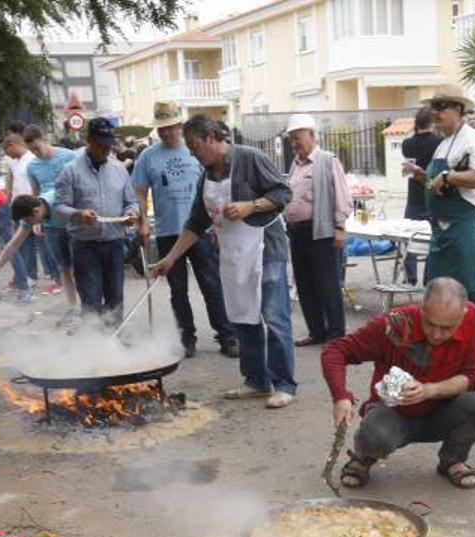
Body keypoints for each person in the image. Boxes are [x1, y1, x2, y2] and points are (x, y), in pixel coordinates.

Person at [153, 114, 297, 410]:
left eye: (194, 146)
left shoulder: (250, 158)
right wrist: (170, 258)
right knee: (244, 317)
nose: (192, 153)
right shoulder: (205, 177)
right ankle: (256, 380)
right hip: (233, 255)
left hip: (264, 252)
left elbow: (283, 193)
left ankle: (284, 384)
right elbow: (195, 224)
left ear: (211, 138)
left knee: (274, 317)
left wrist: (250, 205)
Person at [322, 278, 475, 489]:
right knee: (375, 437)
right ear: (421, 308)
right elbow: (335, 351)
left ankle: (453, 459)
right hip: (392, 412)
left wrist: (430, 390)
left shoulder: (471, 316)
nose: (436, 335)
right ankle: (363, 456)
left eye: (447, 328)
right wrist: (340, 396)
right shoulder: (395, 323)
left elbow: (473, 375)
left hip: (442, 410)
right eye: (430, 323)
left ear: (462, 316)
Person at [402, 86, 475, 365]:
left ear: (458, 109)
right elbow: (436, 184)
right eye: (434, 107)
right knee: (433, 286)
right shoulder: (444, 143)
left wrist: (450, 176)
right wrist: (421, 175)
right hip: (439, 231)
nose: (436, 113)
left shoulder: (472, 140)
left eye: (441, 107)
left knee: (472, 287)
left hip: (460, 228)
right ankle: (431, 349)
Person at [134, 101, 237, 359]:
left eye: (169, 127)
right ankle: (186, 337)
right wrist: (143, 221)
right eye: (160, 129)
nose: (165, 133)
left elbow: (218, 183)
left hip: (201, 230)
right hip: (169, 230)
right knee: (177, 289)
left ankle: (227, 335)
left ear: (179, 125)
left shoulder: (197, 151)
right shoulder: (148, 156)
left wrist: (217, 224)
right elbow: (139, 189)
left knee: (211, 284)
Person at [54, 117, 139, 320]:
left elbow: (131, 201)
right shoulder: (70, 171)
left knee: (115, 299)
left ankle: (114, 342)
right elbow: (58, 208)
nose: (106, 151)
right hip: (85, 246)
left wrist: (132, 213)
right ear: (89, 140)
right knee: (91, 300)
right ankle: (94, 345)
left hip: (115, 244)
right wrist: (77, 214)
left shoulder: (119, 169)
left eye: (109, 146)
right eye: (101, 145)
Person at [283, 113, 351, 347]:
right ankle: (316, 332)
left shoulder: (327, 160)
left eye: (297, 138)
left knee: (327, 285)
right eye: (291, 139)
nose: (294, 143)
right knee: (304, 284)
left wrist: (340, 227)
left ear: (312, 135)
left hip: (321, 231)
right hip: (297, 232)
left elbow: (342, 196)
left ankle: (336, 334)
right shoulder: (295, 164)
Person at [23, 124, 79, 306]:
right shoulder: (32, 167)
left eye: (37, 148)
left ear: (44, 139)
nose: (36, 153)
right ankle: (73, 306)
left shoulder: (69, 156)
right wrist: (35, 221)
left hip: (72, 220)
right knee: (64, 268)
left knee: (81, 266)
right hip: (51, 224)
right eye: (31, 151)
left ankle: (89, 306)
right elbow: (35, 192)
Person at [401, 107, 439, 286]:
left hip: (413, 194)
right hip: (432, 194)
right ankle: (428, 279)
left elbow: (407, 169)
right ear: (433, 122)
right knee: (432, 239)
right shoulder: (439, 143)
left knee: (410, 236)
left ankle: (410, 275)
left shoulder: (407, 144)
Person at [0, 133, 37, 294]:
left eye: (7, 151)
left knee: (26, 245)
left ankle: (30, 275)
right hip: (21, 209)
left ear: (12, 145)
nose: (8, 155)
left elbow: (32, 186)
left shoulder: (30, 161)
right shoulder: (20, 162)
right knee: (23, 244)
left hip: (29, 208)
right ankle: (25, 275)